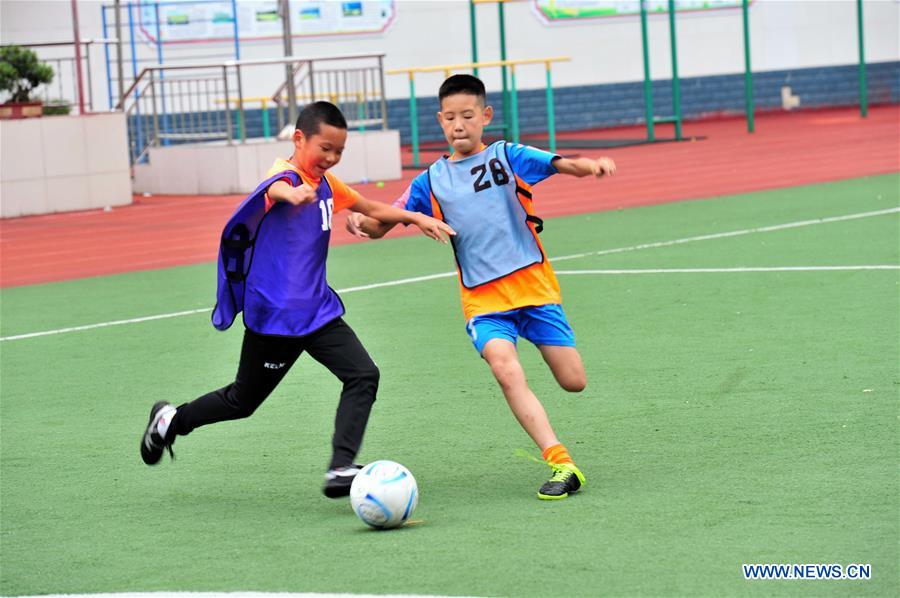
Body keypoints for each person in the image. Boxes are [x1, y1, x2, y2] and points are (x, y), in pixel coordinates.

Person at [140, 101, 455, 499]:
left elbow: (369, 206)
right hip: (276, 317)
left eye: (339, 151)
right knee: (242, 400)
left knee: (363, 375)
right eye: (325, 148)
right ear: (299, 139)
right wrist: (291, 195)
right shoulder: (286, 176)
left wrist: (416, 217)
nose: (332, 157)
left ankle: (340, 468)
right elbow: (272, 188)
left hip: (318, 311)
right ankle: (170, 421)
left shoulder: (327, 185)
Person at [347, 75, 616, 500]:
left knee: (573, 380)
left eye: (467, 116)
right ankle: (561, 462)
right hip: (483, 300)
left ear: (484, 116)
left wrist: (590, 166)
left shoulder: (507, 156)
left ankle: (560, 446)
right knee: (506, 370)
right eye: (450, 118)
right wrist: (360, 220)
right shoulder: (430, 181)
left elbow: (560, 163)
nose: (458, 125)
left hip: (534, 289)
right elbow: (384, 221)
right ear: (440, 121)